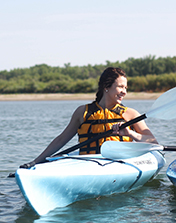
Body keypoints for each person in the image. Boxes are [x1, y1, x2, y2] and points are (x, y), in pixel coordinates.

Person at [20, 67, 157, 168]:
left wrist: (130, 133)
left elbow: (153, 143)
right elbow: (61, 139)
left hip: (119, 164)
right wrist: (35, 162)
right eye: (120, 87)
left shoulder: (131, 114)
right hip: (87, 164)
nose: (124, 92)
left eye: (126, 88)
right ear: (106, 87)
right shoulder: (82, 112)